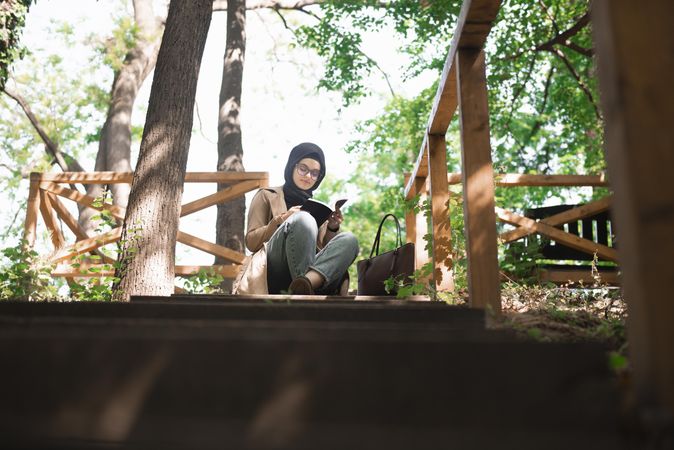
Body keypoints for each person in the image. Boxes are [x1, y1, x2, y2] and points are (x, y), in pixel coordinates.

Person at [232, 142, 359, 295]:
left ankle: (306, 284)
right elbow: (252, 242)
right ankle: (306, 288)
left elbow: (324, 249)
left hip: (313, 273)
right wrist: (282, 219)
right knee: (303, 219)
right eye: (303, 169)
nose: (308, 176)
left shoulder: (317, 207)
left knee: (350, 239)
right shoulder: (266, 195)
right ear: (292, 166)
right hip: (275, 271)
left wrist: (332, 227)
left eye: (314, 173)